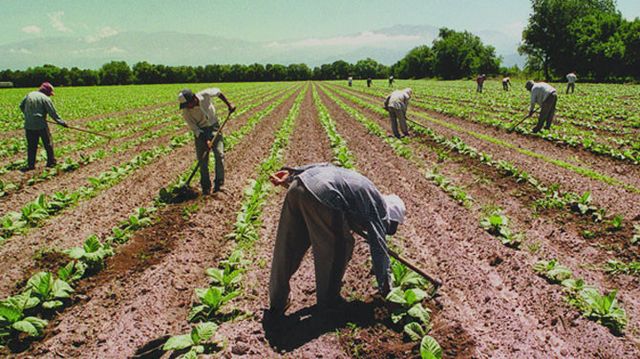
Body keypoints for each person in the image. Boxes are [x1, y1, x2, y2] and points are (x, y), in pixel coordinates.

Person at [267, 163, 406, 316]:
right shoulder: (378, 207)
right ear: (390, 216)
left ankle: (278, 300)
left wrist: (292, 175)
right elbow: (379, 249)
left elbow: (327, 166)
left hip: (298, 185)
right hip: (323, 195)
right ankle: (329, 301)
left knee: (288, 245)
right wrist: (387, 290)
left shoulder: (364, 191)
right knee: (341, 247)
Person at [178, 88, 236, 194]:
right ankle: (206, 187)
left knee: (219, 154)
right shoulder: (186, 112)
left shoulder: (204, 95)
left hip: (214, 127)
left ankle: (219, 185)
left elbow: (218, 92)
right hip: (201, 133)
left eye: (188, 104)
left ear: (194, 99)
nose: (187, 107)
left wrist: (229, 104)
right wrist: (206, 140)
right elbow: (195, 129)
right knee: (202, 160)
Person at [19, 82, 68, 172]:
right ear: (46, 92)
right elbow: (53, 113)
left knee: (31, 146)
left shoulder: (29, 94)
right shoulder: (45, 99)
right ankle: (51, 162)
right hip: (41, 124)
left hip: (29, 125)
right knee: (48, 143)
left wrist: (29, 115)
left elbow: (21, 106)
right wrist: (62, 122)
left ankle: (31, 165)